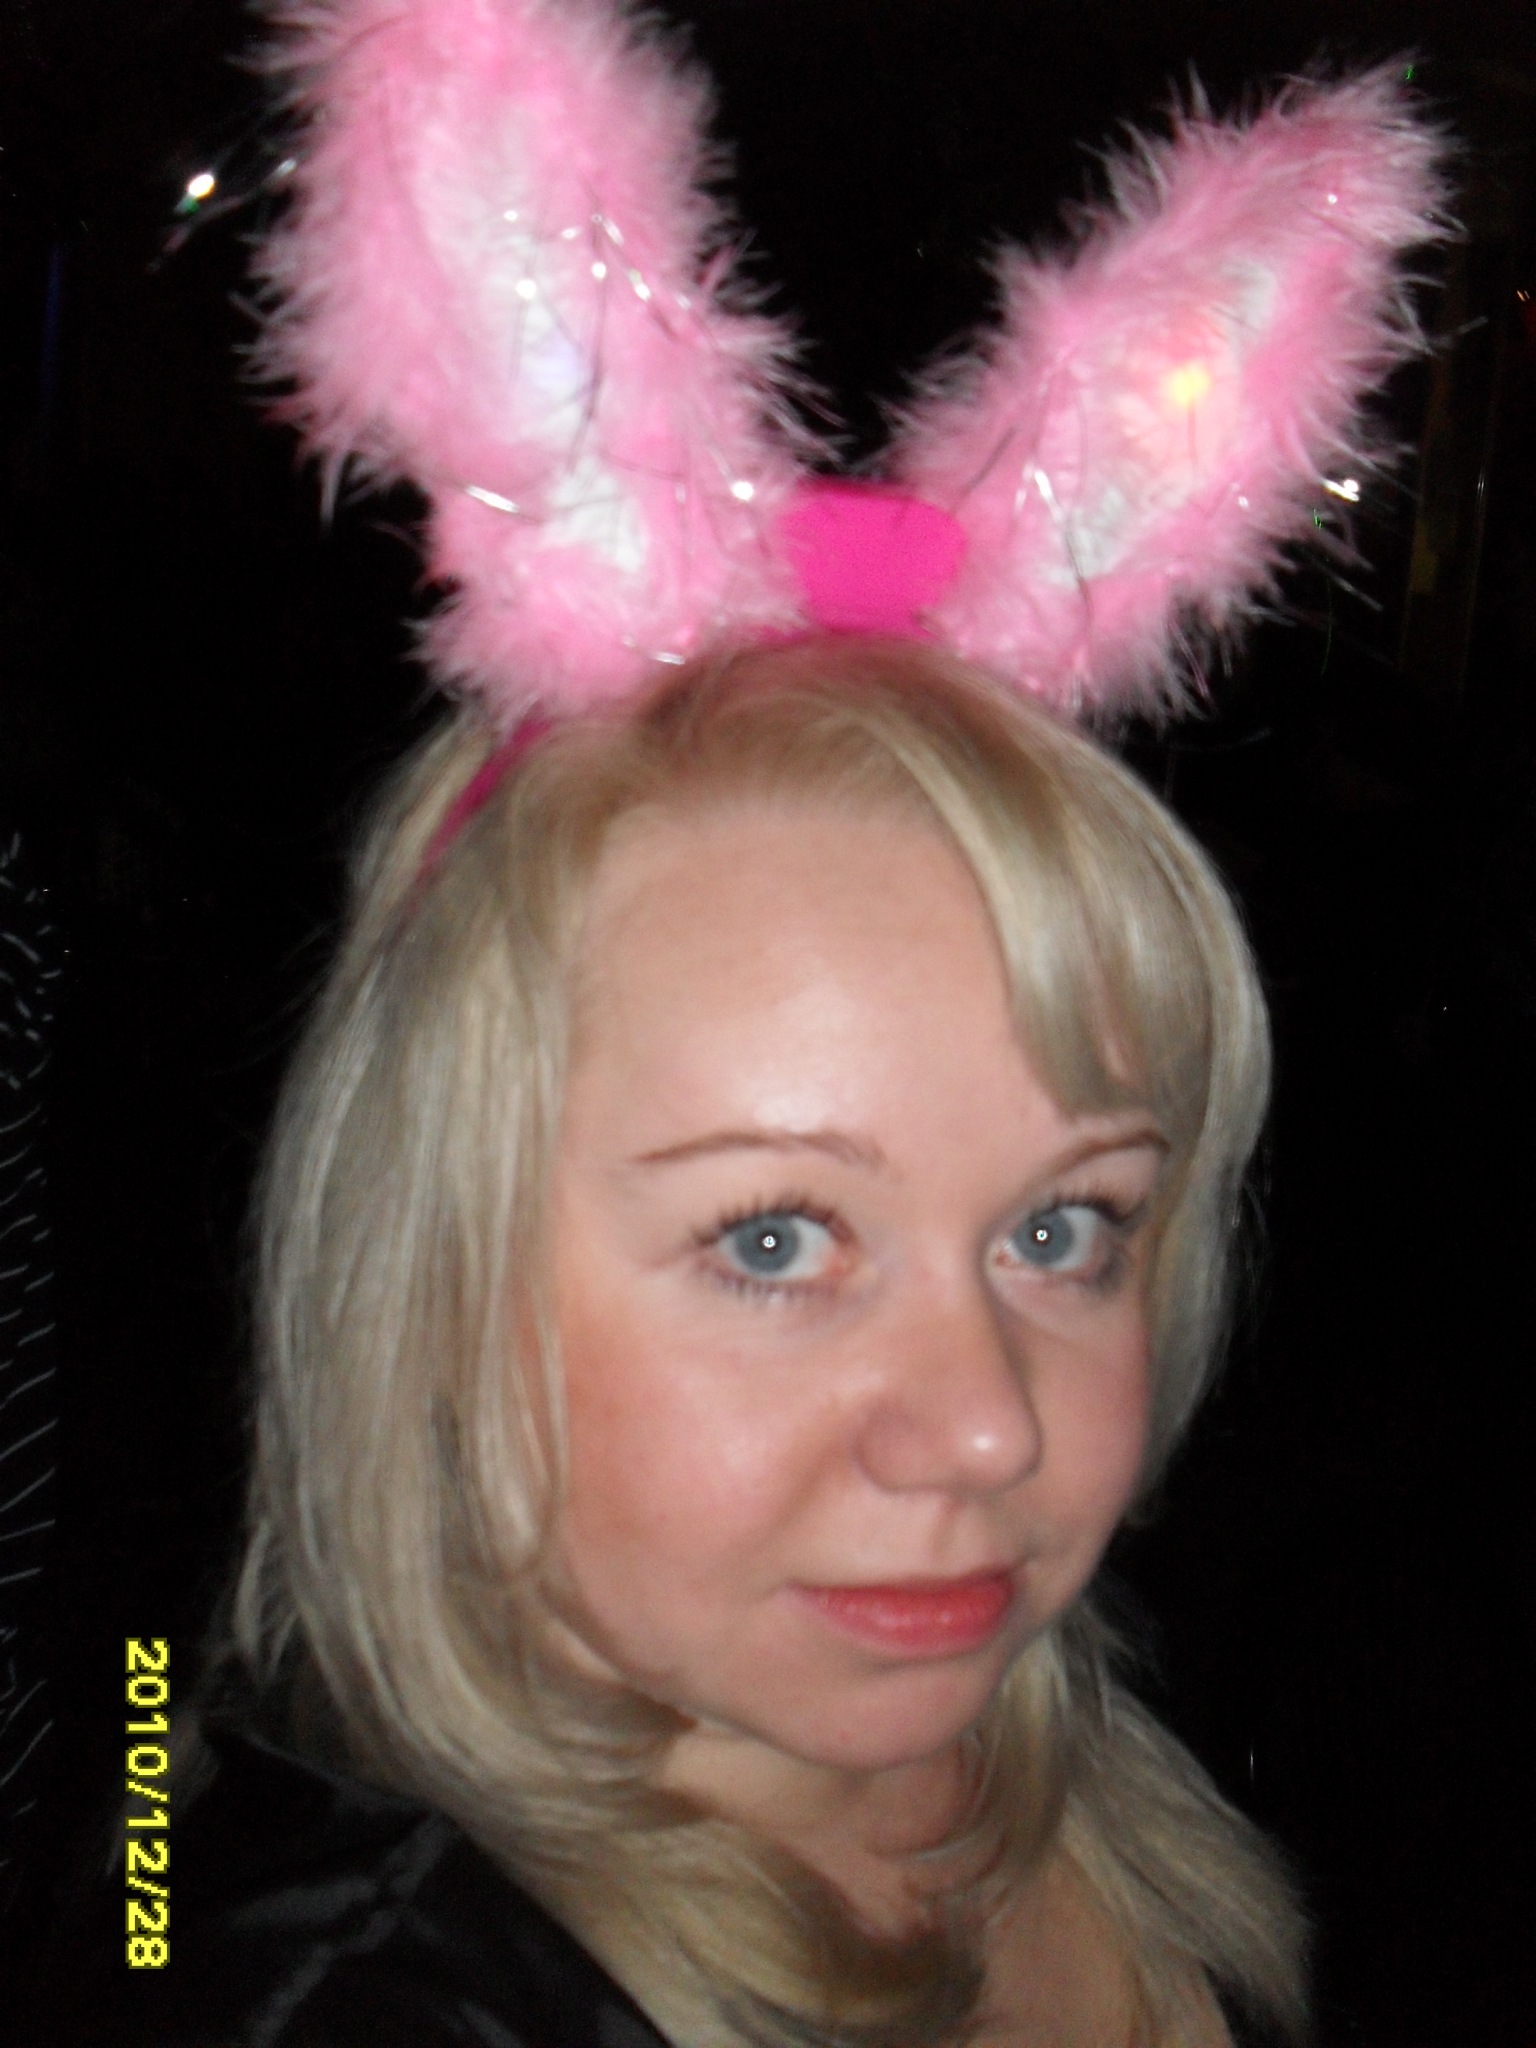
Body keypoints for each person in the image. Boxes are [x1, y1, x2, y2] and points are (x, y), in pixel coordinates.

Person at [95, 3, 1448, 2042]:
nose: (987, 1428)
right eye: (775, 1238)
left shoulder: (1143, 1777)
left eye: (1065, 1226)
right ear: (433, 1266)